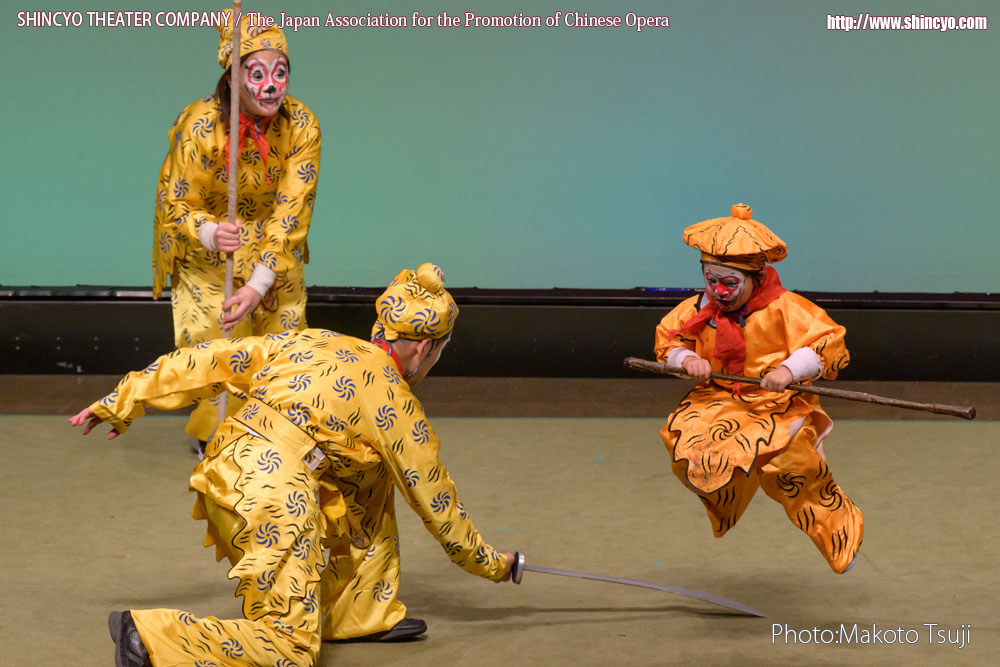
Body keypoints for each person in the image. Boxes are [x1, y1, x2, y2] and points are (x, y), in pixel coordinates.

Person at [71, 263, 512, 667]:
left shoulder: (315, 340)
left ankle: (358, 612)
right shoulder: (396, 404)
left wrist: (123, 398)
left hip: (228, 465)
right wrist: (495, 564)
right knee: (291, 649)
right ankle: (148, 637)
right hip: (274, 493)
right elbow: (439, 506)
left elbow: (210, 359)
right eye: (439, 351)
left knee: (374, 473)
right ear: (424, 347)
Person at [654, 203, 863, 573]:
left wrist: (789, 369)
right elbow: (669, 341)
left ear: (755, 277)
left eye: (730, 283)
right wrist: (686, 360)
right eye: (712, 280)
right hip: (718, 401)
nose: (719, 291)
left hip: (776, 405)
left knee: (792, 468)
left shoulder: (785, 308)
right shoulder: (698, 309)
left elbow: (827, 342)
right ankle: (731, 499)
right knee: (688, 448)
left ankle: (838, 531)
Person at [152, 10, 322, 453]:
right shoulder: (199, 125)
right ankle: (220, 435)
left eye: (280, 73)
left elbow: (293, 209)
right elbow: (176, 202)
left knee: (285, 337)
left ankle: (279, 432)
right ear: (233, 75)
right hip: (211, 252)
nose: (271, 86)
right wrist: (209, 232)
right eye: (257, 74)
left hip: (274, 248)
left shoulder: (302, 125)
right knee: (222, 338)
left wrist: (260, 282)